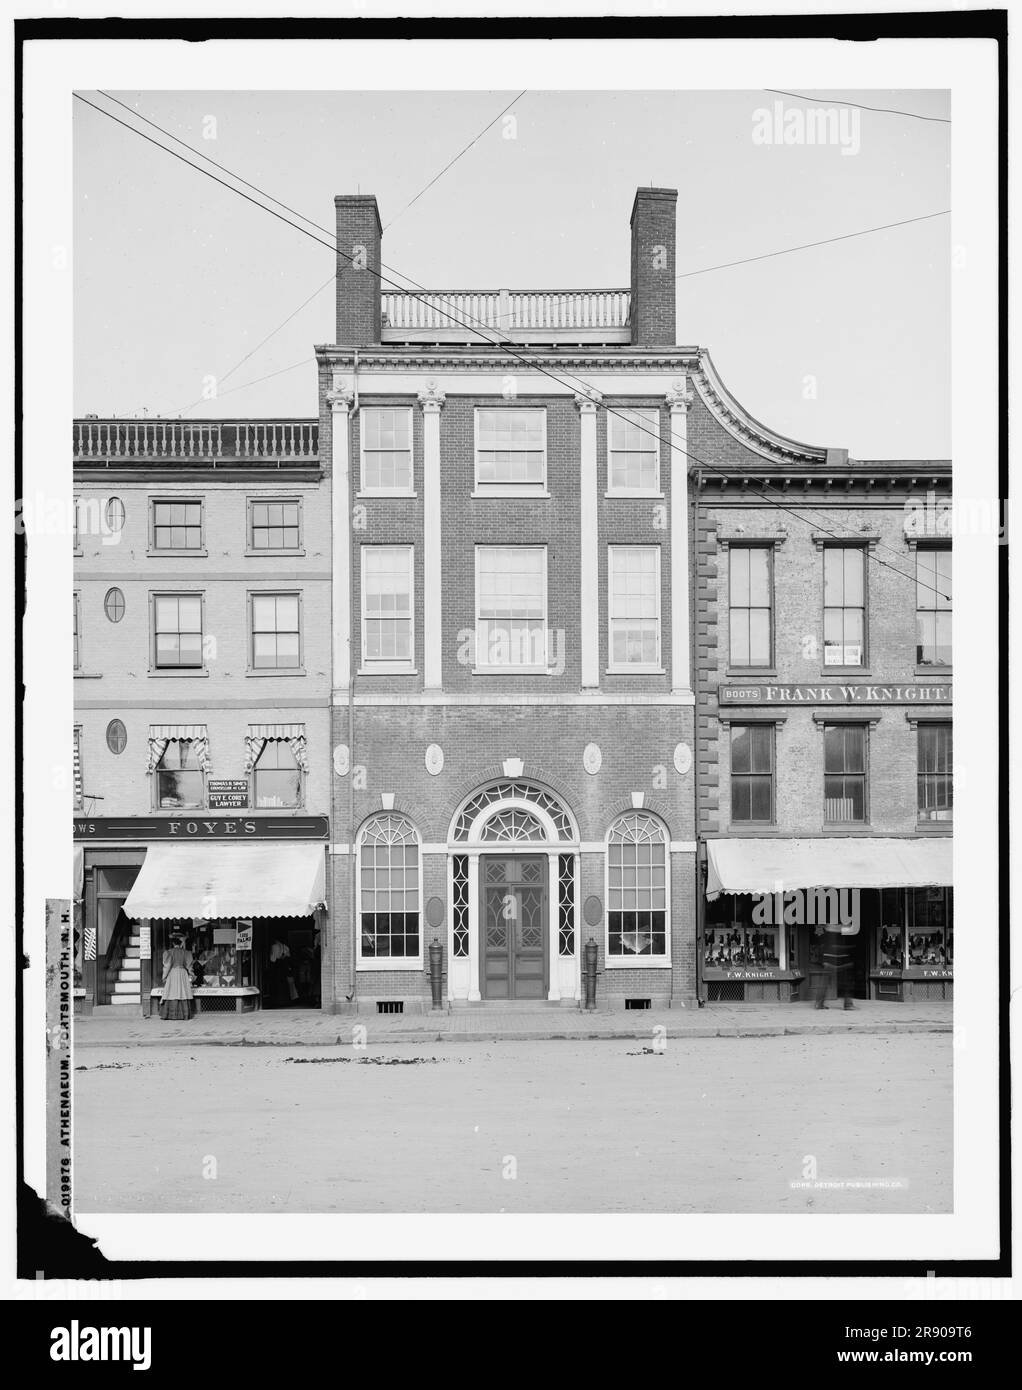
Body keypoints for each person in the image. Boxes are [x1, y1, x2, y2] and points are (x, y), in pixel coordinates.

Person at [160, 933, 195, 1021]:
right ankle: (184, 1014)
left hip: (173, 973)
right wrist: (192, 974)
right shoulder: (186, 953)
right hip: (183, 972)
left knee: (172, 992)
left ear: (173, 944)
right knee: (183, 991)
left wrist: (164, 976)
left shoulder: (169, 952)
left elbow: (167, 966)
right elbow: (189, 965)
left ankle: (171, 1015)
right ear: (181, 944)